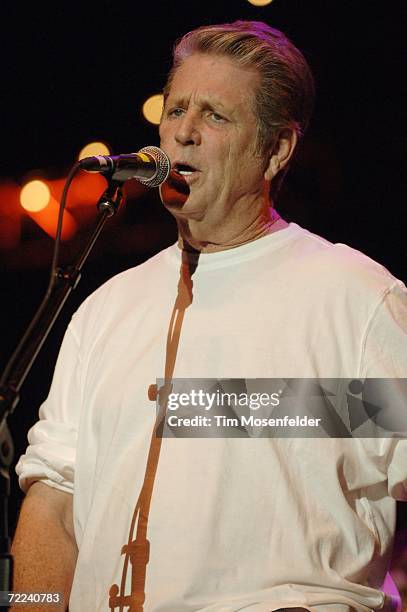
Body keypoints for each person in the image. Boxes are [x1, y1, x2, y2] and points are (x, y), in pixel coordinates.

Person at [11, 20, 407, 612]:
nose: (184, 135)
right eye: (175, 112)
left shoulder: (354, 297)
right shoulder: (104, 309)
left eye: (216, 116)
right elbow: (53, 497)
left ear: (276, 150)